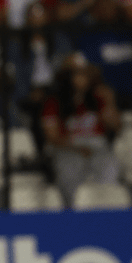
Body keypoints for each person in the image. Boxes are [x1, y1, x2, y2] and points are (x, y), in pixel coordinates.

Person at [42, 53, 120, 205]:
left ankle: (109, 208)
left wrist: (109, 102)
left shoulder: (98, 97)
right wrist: (78, 148)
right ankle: (72, 208)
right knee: (71, 167)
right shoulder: (53, 102)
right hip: (69, 149)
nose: (83, 78)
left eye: (85, 74)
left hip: (97, 149)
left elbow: (116, 126)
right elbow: (52, 137)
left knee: (109, 162)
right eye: (78, 74)